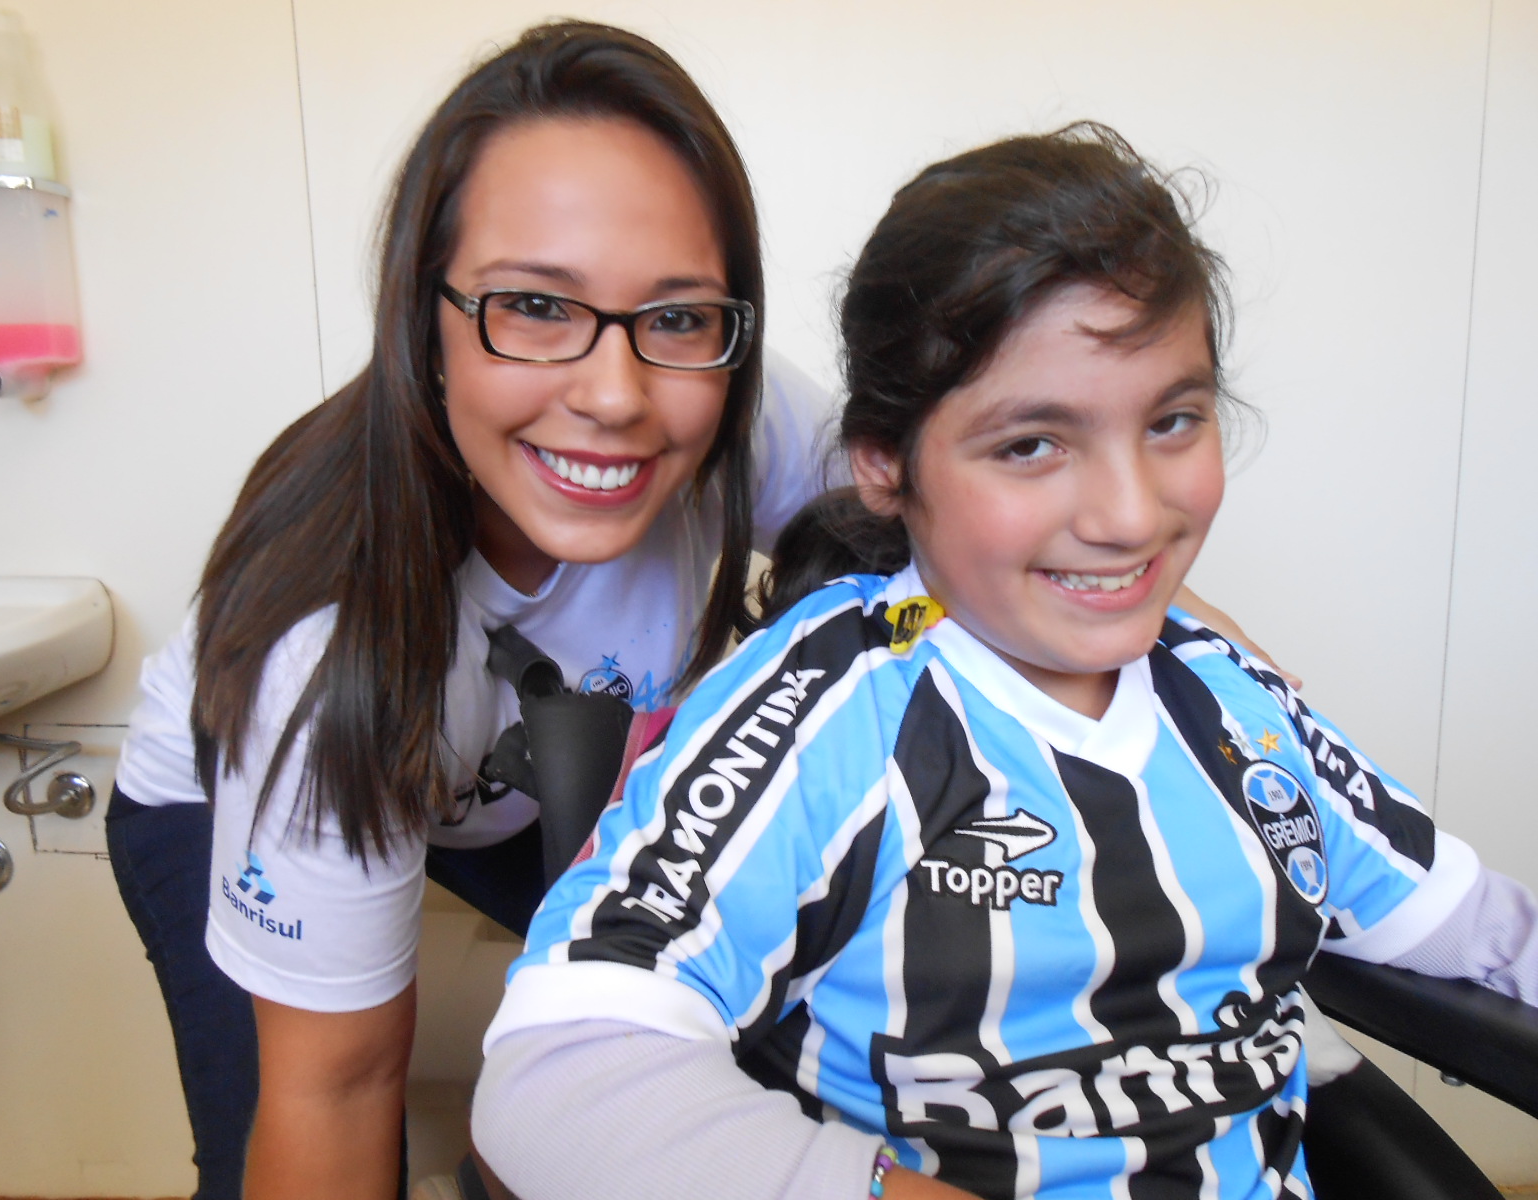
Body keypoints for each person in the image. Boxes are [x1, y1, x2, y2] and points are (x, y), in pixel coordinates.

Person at [472, 123, 1538, 1200]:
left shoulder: (1235, 703)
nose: (1129, 517)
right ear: (881, 462)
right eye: (1031, 444)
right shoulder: (830, 715)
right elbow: (556, 1073)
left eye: (1173, 421)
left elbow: (1480, 934)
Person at [105, 22, 836, 1200]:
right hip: (230, 791)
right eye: (534, 306)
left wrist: (1231, 701)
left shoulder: (733, 407)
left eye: (679, 317)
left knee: (696, 1051)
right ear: (423, 316)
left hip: (511, 787)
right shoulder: (322, 640)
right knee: (294, 1124)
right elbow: (333, 1096)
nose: (615, 396)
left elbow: (984, 520)